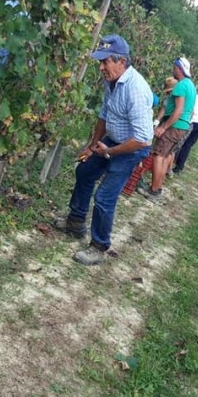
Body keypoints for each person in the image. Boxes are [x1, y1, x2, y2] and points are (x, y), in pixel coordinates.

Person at [53, 34, 153, 266]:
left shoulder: (135, 89)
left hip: (131, 148)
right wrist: (93, 146)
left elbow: (143, 139)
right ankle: (76, 222)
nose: (100, 67)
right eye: (100, 62)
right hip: (112, 140)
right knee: (84, 171)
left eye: (105, 61)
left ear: (121, 61)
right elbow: (104, 115)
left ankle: (99, 246)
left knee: (104, 197)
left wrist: (109, 152)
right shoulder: (112, 82)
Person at [139, 56, 196, 202]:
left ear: (179, 68)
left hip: (174, 126)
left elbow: (178, 110)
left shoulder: (181, 85)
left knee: (158, 155)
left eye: (174, 67)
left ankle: (153, 191)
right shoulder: (191, 85)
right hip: (182, 127)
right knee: (164, 157)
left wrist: (163, 127)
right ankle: (158, 188)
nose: (173, 69)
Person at [172, 92, 198, 173]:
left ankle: (172, 162)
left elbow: (190, 112)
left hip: (193, 122)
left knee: (180, 142)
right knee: (188, 146)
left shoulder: (190, 98)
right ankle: (179, 167)